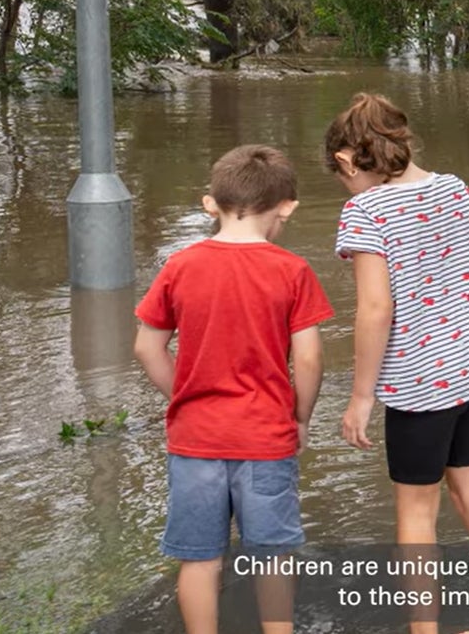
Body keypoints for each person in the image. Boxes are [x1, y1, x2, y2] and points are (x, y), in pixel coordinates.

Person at [328, 93, 469, 634]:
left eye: (341, 174)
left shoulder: (365, 211)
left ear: (349, 159)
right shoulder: (455, 188)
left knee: (417, 514)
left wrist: (361, 395)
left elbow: (375, 308)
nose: (345, 185)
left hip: (419, 387)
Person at [133, 144, 335, 634]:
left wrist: (184, 396)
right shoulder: (292, 271)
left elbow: (147, 348)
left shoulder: (180, 265)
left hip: (195, 439)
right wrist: (301, 417)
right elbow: (307, 358)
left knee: (199, 559)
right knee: (272, 556)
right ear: (287, 206)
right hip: (265, 438)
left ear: (210, 203)